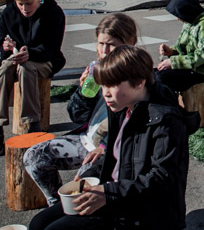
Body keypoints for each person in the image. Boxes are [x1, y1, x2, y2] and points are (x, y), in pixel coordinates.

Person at [28, 46, 199, 230]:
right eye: (103, 85)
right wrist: (90, 176)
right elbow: (117, 159)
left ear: (140, 82)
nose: (105, 93)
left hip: (140, 212)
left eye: (112, 85)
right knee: (38, 223)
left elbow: (162, 180)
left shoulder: (165, 121)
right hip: (116, 195)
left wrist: (108, 193)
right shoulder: (123, 109)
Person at [23, 14, 139, 206]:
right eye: (101, 44)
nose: (104, 51)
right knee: (34, 157)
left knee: (82, 183)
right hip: (87, 139)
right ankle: (56, 205)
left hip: (112, 146)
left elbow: (134, 122)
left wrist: (104, 147)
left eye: (111, 44)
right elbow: (76, 115)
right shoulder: (98, 70)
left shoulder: (137, 76)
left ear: (130, 43)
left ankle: (73, 213)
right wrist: (84, 93)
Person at [0, 0, 66, 156]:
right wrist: (5, 46)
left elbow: (53, 48)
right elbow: (1, 44)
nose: (24, 9)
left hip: (45, 59)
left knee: (26, 68)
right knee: (4, 70)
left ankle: (33, 124)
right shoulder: (8, 13)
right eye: (20, 4)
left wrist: (31, 53)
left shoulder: (53, 13)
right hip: (16, 58)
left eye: (29, 4)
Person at [156, 0, 204, 93]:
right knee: (151, 75)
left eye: (179, 15)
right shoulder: (191, 20)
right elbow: (184, 47)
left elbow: (202, 57)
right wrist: (171, 51)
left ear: (188, 11)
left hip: (202, 72)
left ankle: (169, 107)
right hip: (189, 67)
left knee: (161, 79)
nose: (178, 19)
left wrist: (173, 62)